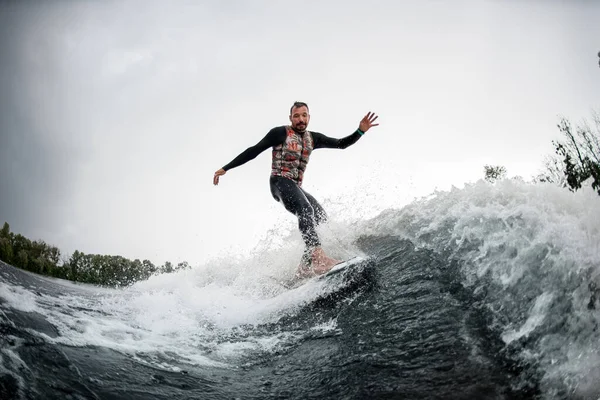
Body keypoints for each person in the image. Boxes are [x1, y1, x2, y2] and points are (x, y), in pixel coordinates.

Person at [213, 102, 379, 277]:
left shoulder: (312, 138)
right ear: (291, 118)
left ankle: (305, 265)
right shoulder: (280, 133)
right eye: (296, 116)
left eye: (304, 115)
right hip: (278, 181)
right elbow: (254, 150)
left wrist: (360, 131)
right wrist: (226, 168)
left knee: (320, 215)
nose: (301, 119)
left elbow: (341, 144)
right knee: (305, 209)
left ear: (309, 117)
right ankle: (318, 259)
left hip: (295, 185)